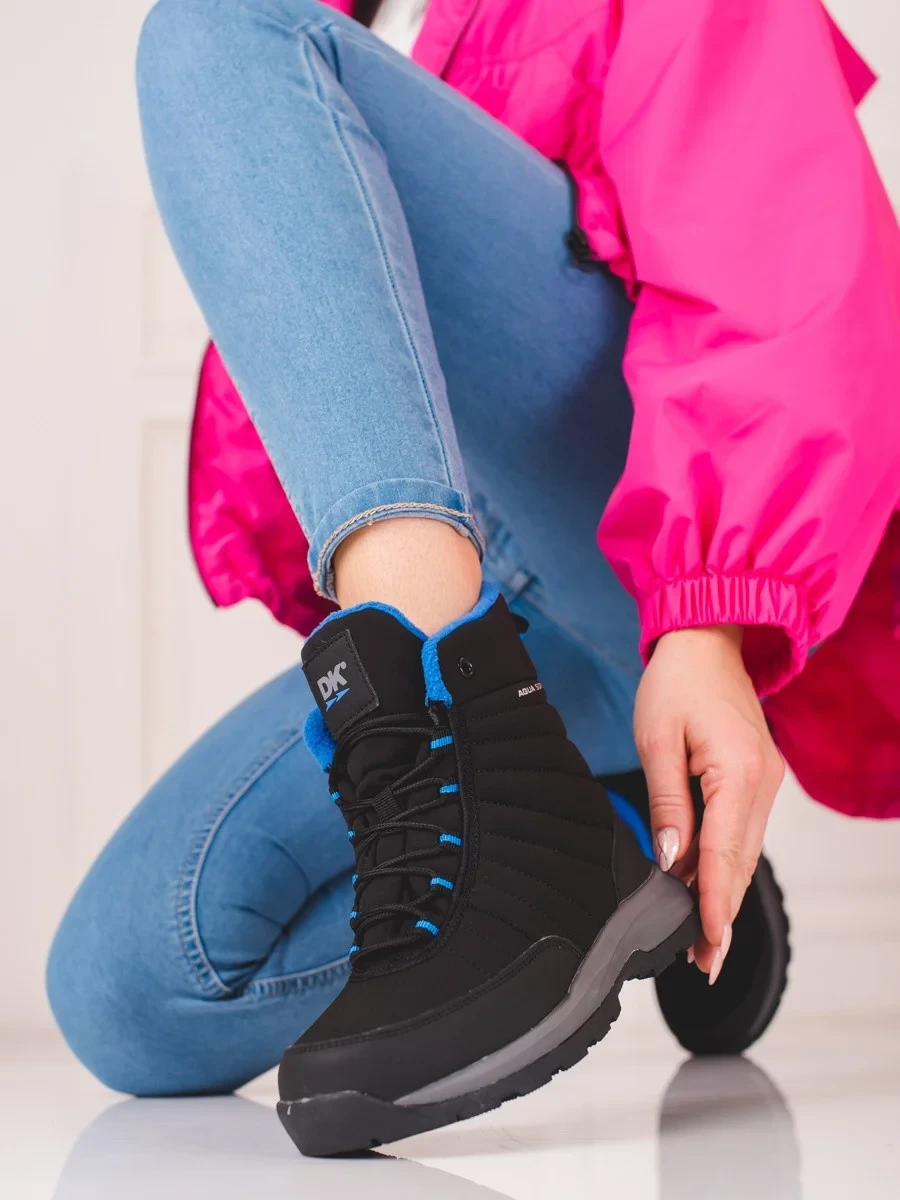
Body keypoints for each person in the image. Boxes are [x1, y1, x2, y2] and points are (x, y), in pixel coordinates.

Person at [47, 0, 900, 1157]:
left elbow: (777, 256)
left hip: (645, 563)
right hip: (502, 608)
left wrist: (708, 621)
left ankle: (487, 769)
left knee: (212, 32)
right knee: (126, 997)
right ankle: (604, 835)